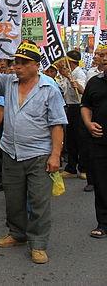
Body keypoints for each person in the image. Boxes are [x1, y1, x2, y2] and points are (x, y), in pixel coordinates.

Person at [0, 39, 67, 264]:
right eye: (15, 62)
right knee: (13, 199)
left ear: (36, 65)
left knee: (39, 201)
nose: (16, 66)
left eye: (22, 63)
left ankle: (38, 243)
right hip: (11, 152)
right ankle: (17, 233)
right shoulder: (8, 82)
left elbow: (57, 124)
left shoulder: (49, 88)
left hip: (39, 154)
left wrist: (55, 156)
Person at [80, 51, 107, 238]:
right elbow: (85, 106)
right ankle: (103, 223)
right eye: (103, 56)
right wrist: (88, 124)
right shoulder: (94, 82)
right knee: (101, 182)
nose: (104, 59)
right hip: (99, 141)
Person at [58, 50, 87, 181]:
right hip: (69, 108)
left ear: (70, 62)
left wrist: (71, 80)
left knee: (80, 139)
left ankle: (83, 168)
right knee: (70, 139)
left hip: (78, 108)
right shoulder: (66, 74)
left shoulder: (79, 73)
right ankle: (71, 167)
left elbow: (82, 91)